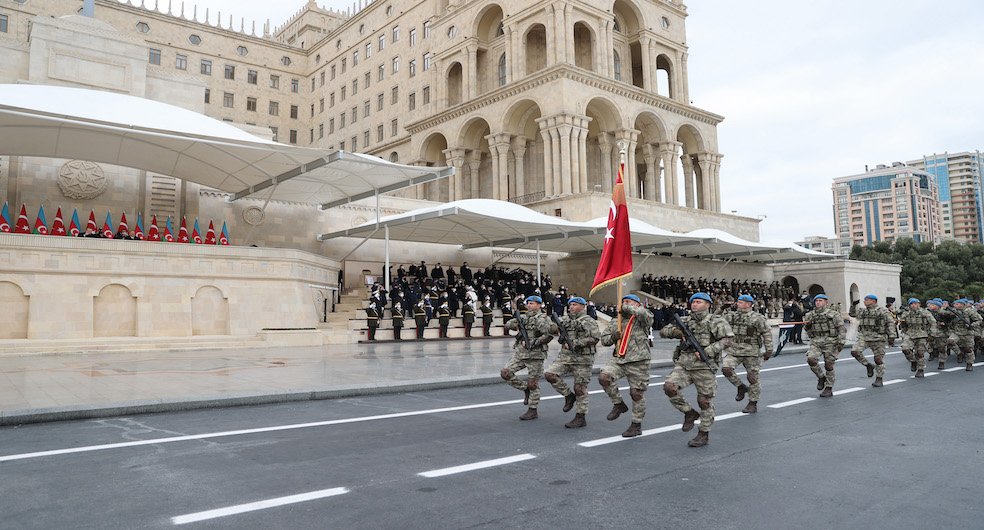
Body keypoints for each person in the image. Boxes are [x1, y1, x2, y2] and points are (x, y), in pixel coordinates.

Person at [660, 292, 734, 447]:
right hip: (684, 364)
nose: (694, 304)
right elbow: (663, 331)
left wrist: (708, 351)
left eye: (699, 302)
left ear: (707, 305)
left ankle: (703, 433)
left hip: (704, 367)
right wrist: (677, 332)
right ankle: (689, 412)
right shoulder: (685, 320)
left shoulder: (716, 321)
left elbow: (728, 340)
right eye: (693, 302)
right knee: (669, 387)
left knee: (704, 401)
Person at [599, 294, 655, 438]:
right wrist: (614, 337)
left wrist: (626, 307)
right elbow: (604, 340)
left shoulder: (641, 317)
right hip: (619, 358)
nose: (623, 304)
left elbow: (645, 315)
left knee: (636, 393)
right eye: (622, 302)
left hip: (639, 361)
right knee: (604, 377)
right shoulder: (615, 321)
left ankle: (636, 425)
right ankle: (618, 404)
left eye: (628, 302)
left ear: (637, 304)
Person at [544, 297, 600, 428]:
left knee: (580, 388)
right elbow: (551, 329)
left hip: (583, 359)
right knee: (550, 374)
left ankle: (581, 417)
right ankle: (568, 396)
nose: (571, 307)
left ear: (582, 306)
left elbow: (595, 338)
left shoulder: (588, 321)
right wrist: (552, 327)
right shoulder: (565, 319)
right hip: (566, 357)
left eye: (574, 305)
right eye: (570, 305)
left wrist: (576, 343)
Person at [501, 295, 557, 420]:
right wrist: (512, 324)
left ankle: (533, 409)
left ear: (539, 305)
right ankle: (524, 389)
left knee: (533, 383)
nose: (529, 305)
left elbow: (550, 334)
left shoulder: (543, 318)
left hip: (535, 355)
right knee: (505, 372)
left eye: (532, 303)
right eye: (528, 303)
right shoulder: (523, 317)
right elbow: (508, 324)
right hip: (520, 354)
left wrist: (534, 342)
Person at [721, 294, 773, 413]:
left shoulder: (758, 318)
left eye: (741, 302)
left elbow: (766, 333)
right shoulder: (732, 316)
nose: (737, 303)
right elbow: (714, 320)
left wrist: (769, 350)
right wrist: (722, 308)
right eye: (738, 301)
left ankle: (752, 402)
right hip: (734, 350)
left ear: (748, 304)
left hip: (752, 351)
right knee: (726, 369)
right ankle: (741, 387)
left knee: (752, 377)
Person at [803, 294, 846, 397]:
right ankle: (821, 377)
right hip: (816, 341)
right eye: (816, 300)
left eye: (820, 300)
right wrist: (807, 326)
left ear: (826, 302)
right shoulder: (810, 315)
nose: (818, 302)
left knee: (829, 365)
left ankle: (829, 387)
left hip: (831, 341)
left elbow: (841, 329)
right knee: (811, 359)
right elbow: (807, 329)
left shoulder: (834, 314)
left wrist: (841, 342)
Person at [849, 294, 897, 387]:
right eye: (864, 300)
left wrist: (892, 336)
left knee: (878, 359)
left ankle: (879, 378)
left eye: (867, 300)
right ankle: (868, 365)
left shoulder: (883, 311)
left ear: (874, 301)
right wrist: (853, 305)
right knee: (855, 352)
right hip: (864, 336)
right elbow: (852, 314)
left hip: (878, 337)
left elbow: (890, 323)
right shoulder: (863, 311)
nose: (865, 301)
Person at [898, 298, 936, 377]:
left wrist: (932, 334)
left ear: (919, 304)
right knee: (905, 349)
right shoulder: (906, 313)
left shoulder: (925, 312)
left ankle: (920, 369)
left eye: (915, 303)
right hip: (910, 334)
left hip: (922, 334)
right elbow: (902, 324)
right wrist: (903, 330)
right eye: (911, 304)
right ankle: (913, 361)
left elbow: (933, 322)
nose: (913, 305)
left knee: (920, 353)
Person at [948, 298, 981, 371]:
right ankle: (959, 353)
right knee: (950, 341)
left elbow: (979, 320)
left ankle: (969, 364)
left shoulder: (970, 311)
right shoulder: (953, 312)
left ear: (962, 305)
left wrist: (972, 325)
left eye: (957, 304)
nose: (955, 305)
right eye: (954, 304)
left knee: (968, 349)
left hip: (967, 333)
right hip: (956, 332)